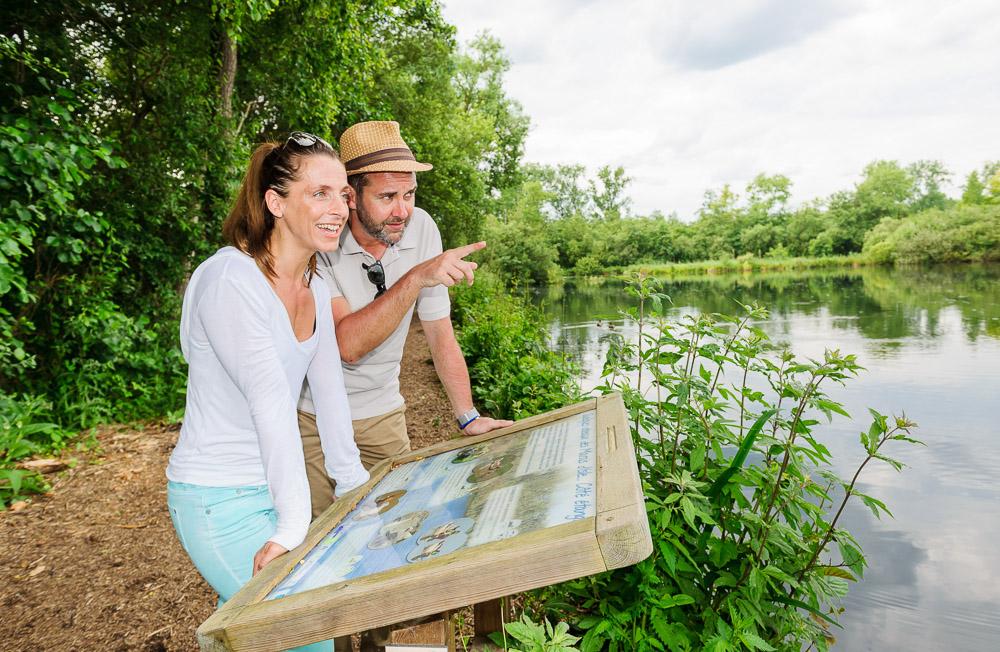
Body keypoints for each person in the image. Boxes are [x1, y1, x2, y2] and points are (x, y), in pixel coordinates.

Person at [166, 133, 369, 634]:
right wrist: (293, 526)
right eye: (318, 192)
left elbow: (329, 395)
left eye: (342, 194)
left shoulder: (315, 284)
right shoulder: (230, 280)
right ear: (275, 202)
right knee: (305, 634)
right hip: (218, 496)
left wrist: (355, 484)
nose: (339, 207)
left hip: (270, 487)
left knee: (249, 638)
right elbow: (271, 405)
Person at [298, 121, 513, 518]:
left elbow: (439, 332)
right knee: (321, 535)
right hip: (315, 419)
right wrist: (416, 277)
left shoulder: (422, 227)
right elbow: (348, 344)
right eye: (387, 197)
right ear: (350, 196)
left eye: (409, 194)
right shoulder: (321, 240)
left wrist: (468, 416)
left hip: (383, 411)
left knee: (398, 525)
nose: (402, 211)